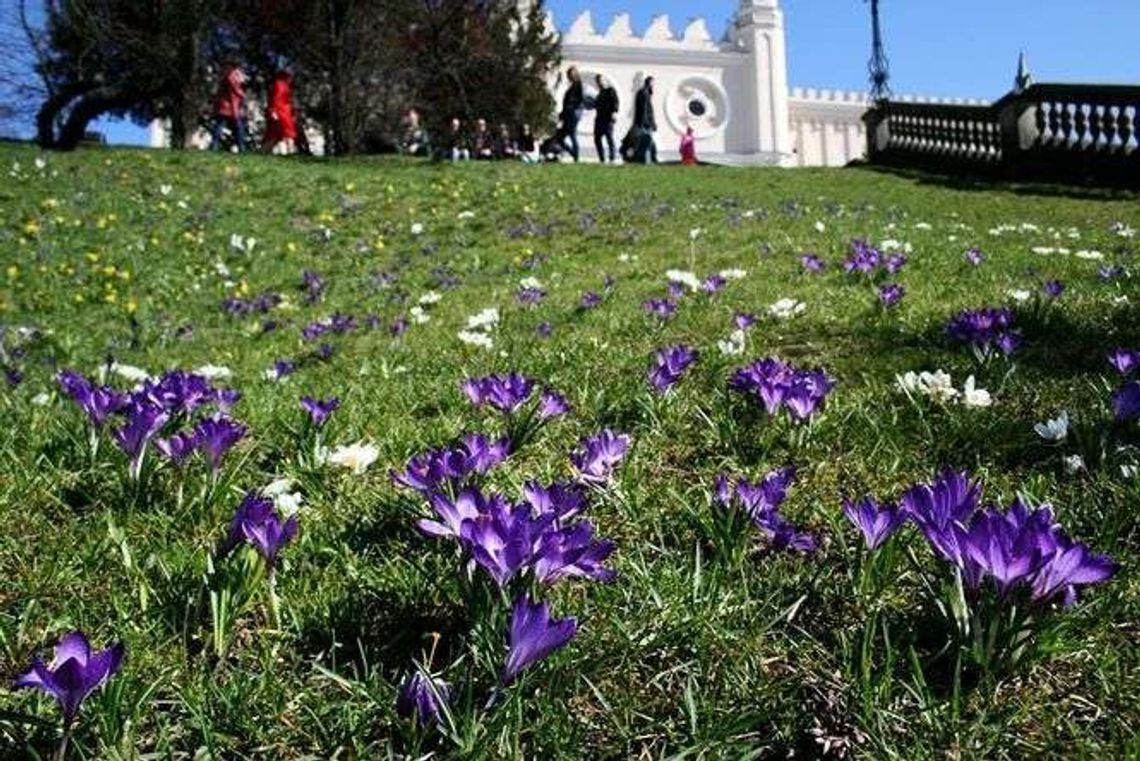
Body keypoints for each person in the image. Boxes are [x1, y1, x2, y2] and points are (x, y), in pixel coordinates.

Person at [210, 60, 247, 152]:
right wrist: (242, 95)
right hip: (229, 106)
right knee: (237, 127)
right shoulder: (231, 76)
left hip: (227, 106)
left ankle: (215, 145)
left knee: (220, 126)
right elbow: (235, 89)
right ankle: (241, 147)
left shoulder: (228, 75)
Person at [262, 67, 297, 155]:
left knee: (276, 135)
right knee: (287, 133)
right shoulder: (280, 85)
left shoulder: (282, 85)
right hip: (282, 113)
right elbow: (275, 99)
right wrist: (273, 111)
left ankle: (264, 152)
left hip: (284, 112)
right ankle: (290, 152)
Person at [555, 66, 584, 162]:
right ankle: (573, 153)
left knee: (572, 135)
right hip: (567, 115)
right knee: (560, 137)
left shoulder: (578, 85)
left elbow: (579, 99)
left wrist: (572, 107)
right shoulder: (572, 86)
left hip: (573, 115)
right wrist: (562, 114)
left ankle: (575, 155)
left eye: (570, 75)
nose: (568, 77)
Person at [593, 74, 619, 163]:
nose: (600, 83)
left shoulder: (610, 90)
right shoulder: (599, 94)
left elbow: (615, 101)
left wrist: (614, 112)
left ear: (605, 81)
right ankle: (602, 158)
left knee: (609, 138)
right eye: (598, 82)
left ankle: (612, 157)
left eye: (601, 81)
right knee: (597, 138)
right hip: (599, 118)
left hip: (608, 118)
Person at [633, 76, 658, 164]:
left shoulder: (643, 92)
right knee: (647, 141)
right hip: (646, 123)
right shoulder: (645, 93)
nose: (654, 85)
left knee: (649, 142)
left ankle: (652, 159)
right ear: (650, 83)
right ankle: (646, 160)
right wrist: (647, 123)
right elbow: (645, 110)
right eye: (653, 83)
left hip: (644, 122)